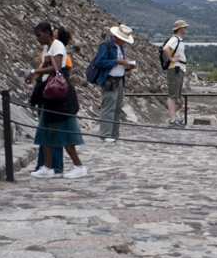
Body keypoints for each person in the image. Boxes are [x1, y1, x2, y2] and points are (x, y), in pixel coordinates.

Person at [25, 23, 87, 179]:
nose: (37, 39)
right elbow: (46, 66)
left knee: (63, 130)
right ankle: (47, 166)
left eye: (39, 35)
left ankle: (78, 165)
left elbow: (56, 68)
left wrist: (34, 71)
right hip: (49, 93)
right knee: (46, 129)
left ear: (47, 33)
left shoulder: (57, 45)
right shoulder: (48, 48)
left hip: (59, 94)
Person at [91, 24, 136, 143]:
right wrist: (116, 61)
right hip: (110, 80)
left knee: (117, 108)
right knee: (108, 108)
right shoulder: (106, 46)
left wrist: (126, 66)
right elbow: (100, 61)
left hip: (119, 80)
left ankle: (114, 133)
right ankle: (105, 134)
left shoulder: (119, 47)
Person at [163, 20, 188, 128]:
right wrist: (172, 59)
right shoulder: (174, 40)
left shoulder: (178, 40)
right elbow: (165, 49)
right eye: (184, 27)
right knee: (172, 95)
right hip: (175, 68)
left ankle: (174, 119)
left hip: (178, 68)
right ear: (180, 28)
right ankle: (172, 120)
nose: (186, 29)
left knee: (174, 94)